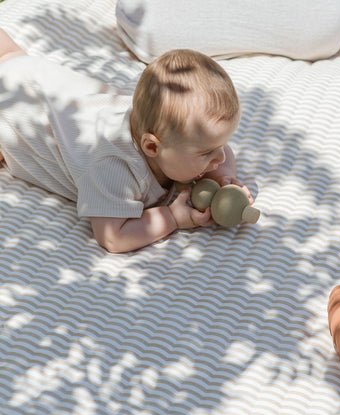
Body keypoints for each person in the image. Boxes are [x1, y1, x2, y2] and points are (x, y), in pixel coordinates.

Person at [0, 28, 252, 252]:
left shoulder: (165, 127)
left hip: (33, 75)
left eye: (220, 145)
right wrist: (172, 218)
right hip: (10, 112)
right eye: (207, 153)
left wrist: (223, 177)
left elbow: (220, 154)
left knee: (10, 57)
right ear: (151, 146)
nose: (221, 157)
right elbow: (112, 237)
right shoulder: (114, 168)